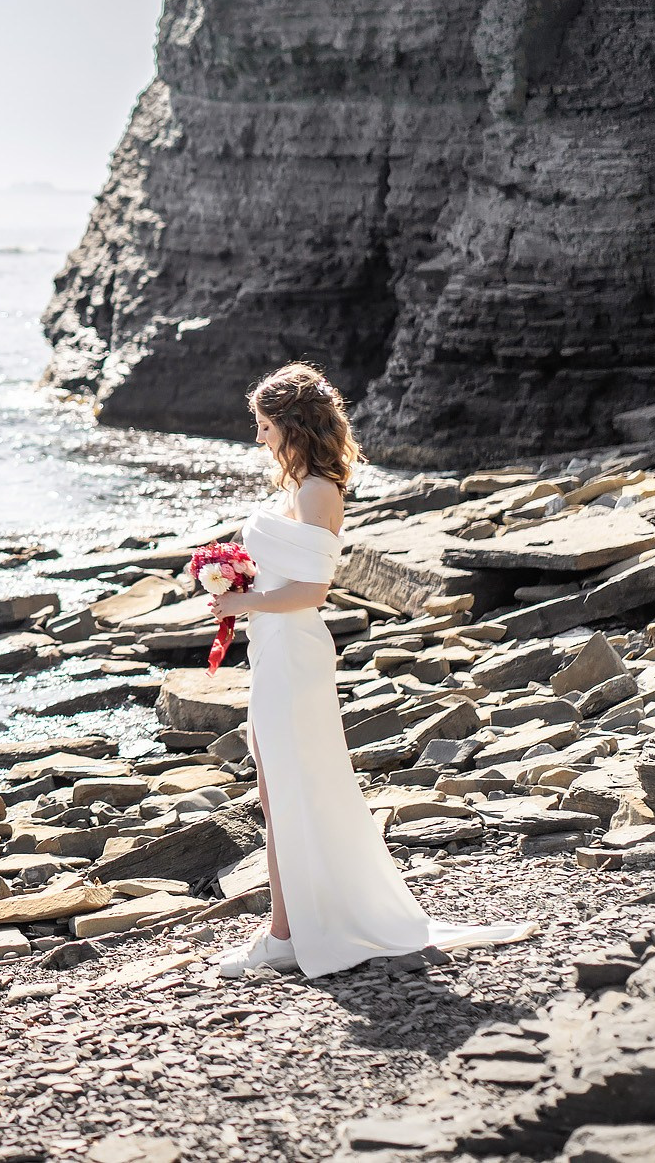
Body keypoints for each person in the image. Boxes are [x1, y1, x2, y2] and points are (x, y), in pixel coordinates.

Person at [206, 362, 537, 979]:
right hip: (273, 648)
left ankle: (284, 935)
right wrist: (246, 581)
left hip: (293, 647)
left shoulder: (318, 492)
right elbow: (286, 573)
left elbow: (312, 589)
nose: (259, 438)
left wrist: (242, 600)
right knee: (275, 787)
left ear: (292, 424)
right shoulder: (298, 486)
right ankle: (287, 926)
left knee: (290, 788)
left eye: (264, 426)